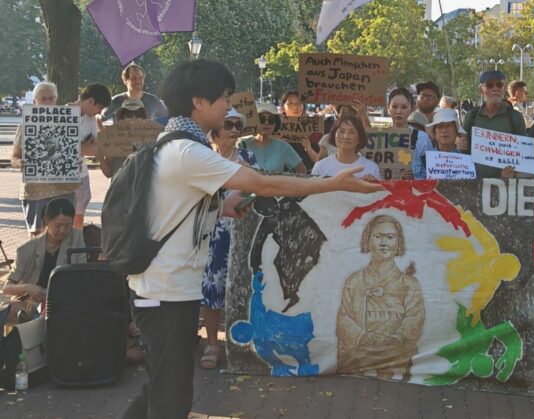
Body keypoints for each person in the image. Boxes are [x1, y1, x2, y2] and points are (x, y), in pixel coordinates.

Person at [122, 59, 381, 419]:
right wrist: (332, 183)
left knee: (163, 386)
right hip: (165, 294)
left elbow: (182, 205)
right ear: (199, 102)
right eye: (224, 98)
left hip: (170, 291)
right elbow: (262, 183)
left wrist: (224, 207)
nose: (229, 107)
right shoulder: (187, 151)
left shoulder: (180, 144)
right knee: (171, 396)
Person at [200, 109, 257, 369]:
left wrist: (248, 177)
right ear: (215, 131)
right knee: (212, 288)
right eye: (229, 124)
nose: (234, 129)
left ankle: (239, 342)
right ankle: (212, 342)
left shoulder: (248, 157)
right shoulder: (202, 158)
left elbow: (259, 190)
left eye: (238, 125)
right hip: (209, 232)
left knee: (241, 286)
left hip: (241, 231)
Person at [336, 215, 424, 380]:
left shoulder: (409, 284)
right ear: (367, 240)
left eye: (390, 237)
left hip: (396, 351)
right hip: (360, 352)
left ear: (398, 242)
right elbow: (343, 318)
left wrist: (397, 338)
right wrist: (363, 337)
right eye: (378, 237)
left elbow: (415, 318)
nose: (384, 243)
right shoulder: (354, 281)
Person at [11, 82, 79, 238]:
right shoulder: (26, 125)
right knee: (37, 235)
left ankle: (60, 263)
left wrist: (75, 163)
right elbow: (14, 157)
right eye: (43, 98)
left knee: (64, 233)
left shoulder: (67, 121)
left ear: (56, 100)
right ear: (34, 101)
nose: (48, 102)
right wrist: (20, 163)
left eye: (51, 98)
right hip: (36, 189)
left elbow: (73, 153)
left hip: (64, 188)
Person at [2, 198, 85, 324]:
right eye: (57, 226)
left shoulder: (76, 238)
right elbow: (7, 288)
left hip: (65, 301)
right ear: (46, 221)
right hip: (33, 303)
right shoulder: (27, 249)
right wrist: (28, 287)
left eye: (67, 225)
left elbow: (82, 277)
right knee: (7, 310)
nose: (63, 230)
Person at [463, 70, 527, 178]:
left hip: (505, 184)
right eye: (489, 85)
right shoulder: (471, 116)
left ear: (503, 88)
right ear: (481, 89)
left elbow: (523, 153)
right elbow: (463, 148)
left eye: (499, 84)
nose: (495, 88)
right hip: (474, 184)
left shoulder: (515, 117)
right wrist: (459, 143)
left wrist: (512, 172)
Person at [72, 82, 112, 230]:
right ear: (90, 101)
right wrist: (84, 148)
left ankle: (77, 240)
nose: (98, 112)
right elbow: (61, 147)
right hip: (66, 175)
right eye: (98, 108)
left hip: (81, 171)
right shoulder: (66, 114)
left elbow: (95, 146)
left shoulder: (91, 119)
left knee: (80, 208)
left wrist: (84, 148)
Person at [236, 103, 305, 174]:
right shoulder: (243, 144)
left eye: (271, 120)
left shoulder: (283, 147)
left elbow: (302, 171)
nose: (266, 123)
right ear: (255, 122)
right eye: (262, 119)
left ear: (276, 124)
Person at [311, 115, 380, 180]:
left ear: (360, 138)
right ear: (334, 135)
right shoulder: (320, 167)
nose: (346, 136)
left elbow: (380, 192)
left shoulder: (371, 168)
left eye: (351, 132)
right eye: (341, 131)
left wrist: (373, 185)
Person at [99, 98, 148, 179]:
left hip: (141, 189)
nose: (133, 118)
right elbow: (108, 173)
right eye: (129, 115)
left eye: (138, 115)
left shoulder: (150, 140)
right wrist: (100, 159)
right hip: (120, 189)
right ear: (122, 118)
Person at [101, 63, 167, 122]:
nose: (138, 81)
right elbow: (99, 119)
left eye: (140, 78)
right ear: (125, 80)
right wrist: (108, 134)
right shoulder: (115, 101)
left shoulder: (153, 101)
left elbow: (169, 117)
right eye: (134, 78)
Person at [413, 108, 466, 179]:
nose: (444, 130)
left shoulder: (466, 162)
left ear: (456, 131)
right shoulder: (424, 160)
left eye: (449, 126)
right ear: (434, 132)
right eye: (440, 126)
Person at [279, 90, 319, 168]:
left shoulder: (313, 129)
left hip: (306, 176)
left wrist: (308, 148)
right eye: (290, 103)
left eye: (299, 103)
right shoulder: (275, 129)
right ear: (283, 108)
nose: (295, 107)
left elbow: (320, 162)